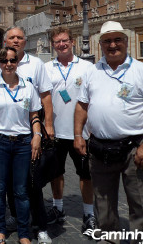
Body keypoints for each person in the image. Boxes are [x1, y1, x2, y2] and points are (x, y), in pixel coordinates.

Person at [74, 21, 143, 241]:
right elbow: (82, 106)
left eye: (117, 40)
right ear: (100, 45)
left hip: (134, 149)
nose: (112, 45)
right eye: (107, 41)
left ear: (126, 41)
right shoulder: (92, 71)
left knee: (140, 203)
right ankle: (109, 238)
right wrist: (78, 135)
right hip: (99, 148)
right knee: (103, 204)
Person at [0, 26, 53, 241]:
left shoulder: (36, 64)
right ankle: (12, 221)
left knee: (29, 185)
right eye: (11, 38)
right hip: (1, 138)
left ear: (25, 41)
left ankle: (39, 225)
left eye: (19, 37)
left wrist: (44, 129)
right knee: (2, 188)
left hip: (27, 136)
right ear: (5, 41)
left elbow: (44, 98)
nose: (9, 64)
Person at [0, 47, 42, 244]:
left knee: (21, 190)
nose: (8, 64)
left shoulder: (28, 87)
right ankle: (0, 231)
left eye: (12, 60)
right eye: (4, 61)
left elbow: (34, 114)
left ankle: (24, 232)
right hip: (0, 141)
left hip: (23, 142)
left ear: (17, 63)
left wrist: (37, 134)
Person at [44, 27, 95, 233]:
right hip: (54, 131)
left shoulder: (87, 67)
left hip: (81, 131)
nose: (62, 44)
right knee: (56, 173)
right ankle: (58, 208)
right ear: (53, 45)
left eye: (65, 41)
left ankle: (89, 213)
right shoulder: (47, 67)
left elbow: (95, 98)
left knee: (86, 174)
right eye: (57, 42)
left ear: (72, 42)